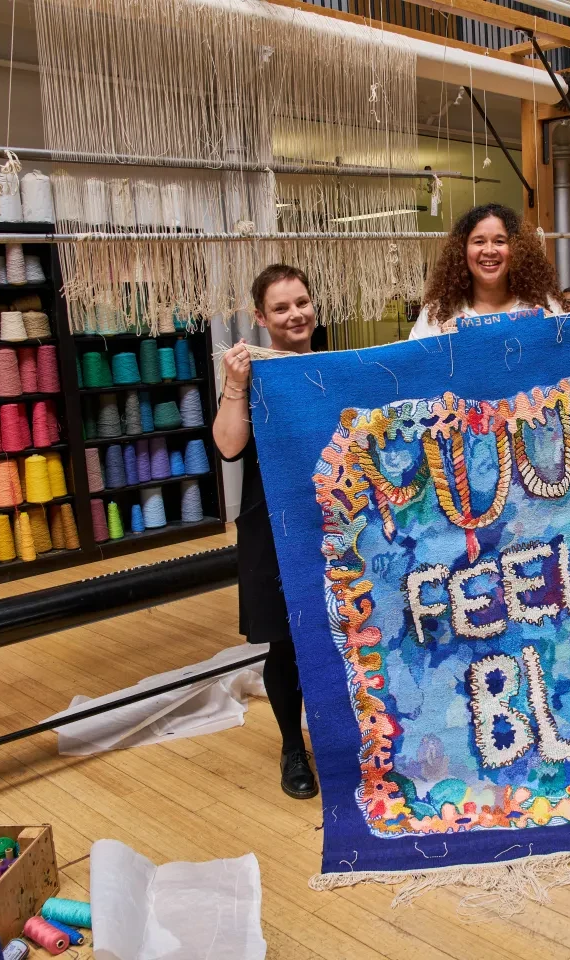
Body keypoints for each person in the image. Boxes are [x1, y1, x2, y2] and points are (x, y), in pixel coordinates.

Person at [214, 264, 320, 800]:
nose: (294, 314)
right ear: (260, 317)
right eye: (280, 308)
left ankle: (345, 738)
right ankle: (291, 749)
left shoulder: (335, 367)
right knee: (286, 641)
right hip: (274, 525)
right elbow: (229, 446)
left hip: (334, 518)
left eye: (300, 302)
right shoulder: (252, 374)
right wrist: (235, 385)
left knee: (350, 631)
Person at [410, 203, 562, 339]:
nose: (489, 250)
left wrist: (553, 336)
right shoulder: (436, 312)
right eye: (479, 242)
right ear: (462, 250)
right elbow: (412, 368)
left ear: (517, 249)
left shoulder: (546, 305)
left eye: (499, 241)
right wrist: (441, 347)